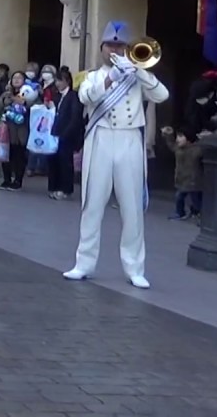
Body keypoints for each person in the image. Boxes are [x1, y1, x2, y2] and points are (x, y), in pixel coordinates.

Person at [64, 21, 169, 289]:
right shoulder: (93, 76)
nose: (115, 50)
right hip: (100, 138)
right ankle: (83, 264)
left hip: (130, 138)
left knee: (132, 206)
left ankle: (135, 268)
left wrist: (139, 70)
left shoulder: (137, 75)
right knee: (92, 203)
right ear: (101, 47)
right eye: (111, 45)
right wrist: (112, 78)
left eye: (120, 45)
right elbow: (86, 97)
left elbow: (162, 95)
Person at [48, 71, 84, 200]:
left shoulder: (74, 96)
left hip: (66, 134)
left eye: (60, 80)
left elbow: (75, 118)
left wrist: (66, 133)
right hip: (54, 133)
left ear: (67, 81)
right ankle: (53, 186)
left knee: (65, 162)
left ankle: (66, 189)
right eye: (56, 81)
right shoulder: (56, 97)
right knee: (52, 160)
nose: (57, 84)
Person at [161, 126, 203, 221]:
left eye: (180, 136)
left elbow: (204, 150)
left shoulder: (196, 149)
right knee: (182, 197)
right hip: (182, 179)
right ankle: (182, 212)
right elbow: (171, 145)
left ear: (188, 138)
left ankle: (197, 213)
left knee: (194, 199)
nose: (177, 139)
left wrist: (203, 139)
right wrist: (168, 135)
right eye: (177, 136)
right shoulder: (178, 149)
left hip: (193, 180)